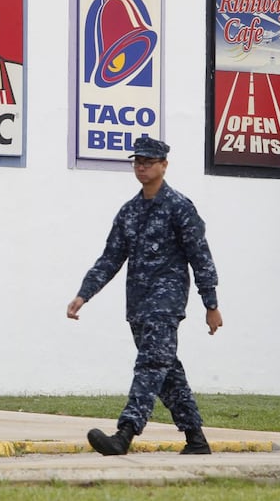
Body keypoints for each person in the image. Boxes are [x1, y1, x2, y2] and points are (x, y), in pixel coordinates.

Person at [67, 136, 223, 456]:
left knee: (150, 364)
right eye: (137, 162)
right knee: (167, 371)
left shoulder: (180, 207)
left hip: (166, 303)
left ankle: (124, 434)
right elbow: (111, 257)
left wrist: (211, 304)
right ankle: (196, 438)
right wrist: (85, 294)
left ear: (164, 165)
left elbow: (200, 256)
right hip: (137, 305)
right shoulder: (129, 212)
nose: (141, 167)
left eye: (148, 162)